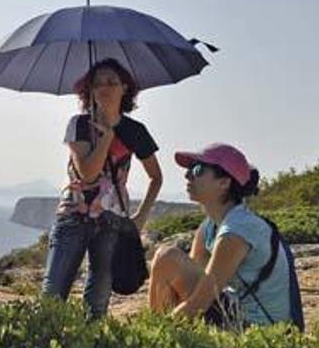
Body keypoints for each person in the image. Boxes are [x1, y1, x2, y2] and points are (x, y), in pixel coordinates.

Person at [41, 58, 163, 319]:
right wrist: (106, 137)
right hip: (74, 214)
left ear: (125, 88)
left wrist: (141, 217)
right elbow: (88, 173)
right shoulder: (79, 125)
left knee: (97, 302)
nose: (104, 88)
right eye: (97, 83)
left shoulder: (135, 131)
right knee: (52, 297)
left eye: (111, 82)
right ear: (90, 91)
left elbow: (156, 177)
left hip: (112, 221)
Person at [148, 143, 293, 329]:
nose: (187, 175)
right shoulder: (209, 227)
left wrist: (155, 334)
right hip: (234, 313)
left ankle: (156, 340)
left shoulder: (236, 231)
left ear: (224, 183)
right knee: (167, 261)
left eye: (198, 170)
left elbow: (199, 304)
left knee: (166, 258)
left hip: (259, 331)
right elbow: (191, 289)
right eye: (189, 170)